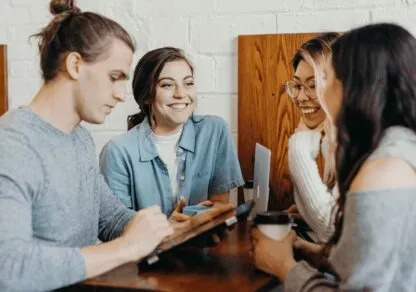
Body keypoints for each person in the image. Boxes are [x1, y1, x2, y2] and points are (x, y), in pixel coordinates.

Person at [0, 1, 174, 290]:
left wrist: (167, 232)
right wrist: (125, 248)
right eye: (114, 77)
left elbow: (109, 218)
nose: (121, 95)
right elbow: (9, 267)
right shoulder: (11, 145)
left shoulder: (79, 138)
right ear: (75, 65)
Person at [252, 23, 416, 290]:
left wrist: (284, 267)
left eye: (325, 78)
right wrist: (317, 254)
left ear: (355, 87)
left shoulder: (384, 170)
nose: (318, 93)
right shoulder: (396, 147)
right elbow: (378, 261)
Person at [99, 47, 244, 220]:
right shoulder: (117, 151)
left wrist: (194, 222)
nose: (181, 94)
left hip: (205, 243)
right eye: (167, 85)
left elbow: (220, 207)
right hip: (150, 247)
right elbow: (117, 226)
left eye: (188, 83)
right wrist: (171, 228)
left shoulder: (215, 131)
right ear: (146, 96)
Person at [285, 33, 340, 242]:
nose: (300, 97)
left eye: (313, 84)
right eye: (297, 85)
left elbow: (332, 232)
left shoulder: (357, 141)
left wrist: (298, 148)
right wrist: (308, 214)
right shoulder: (331, 140)